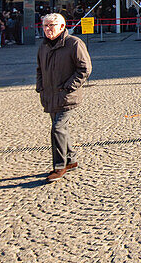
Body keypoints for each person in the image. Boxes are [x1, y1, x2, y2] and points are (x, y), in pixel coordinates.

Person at [36, 12, 92, 182]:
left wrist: (69, 87)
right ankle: (71, 159)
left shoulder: (74, 43)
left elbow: (85, 69)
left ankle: (60, 166)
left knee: (57, 129)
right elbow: (39, 69)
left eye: (51, 25)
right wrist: (40, 87)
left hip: (66, 96)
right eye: (45, 26)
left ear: (61, 26)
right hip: (50, 95)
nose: (48, 29)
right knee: (61, 129)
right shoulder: (44, 46)